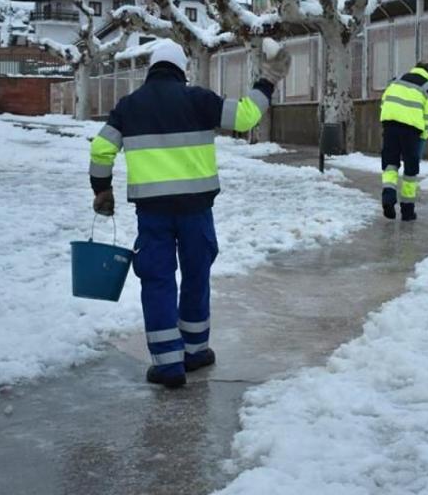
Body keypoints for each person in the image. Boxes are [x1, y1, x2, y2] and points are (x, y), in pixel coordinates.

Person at [89, 40, 291, 388]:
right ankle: (195, 352)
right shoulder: (199, 99)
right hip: (197, 210)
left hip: (152, 214)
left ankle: (168, 365)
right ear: (182, 69)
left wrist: (101, 189)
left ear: (152, 68)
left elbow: (101, 148)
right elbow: (245, 116)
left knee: (158, 280)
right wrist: (268, 79)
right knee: (197, 275)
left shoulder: (129, 106)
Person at [379, 62, 428, 221]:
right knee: (410, 170)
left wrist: (387, 122)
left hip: (390, 125)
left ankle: (388, 198)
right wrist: (424, 135)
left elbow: (384, 101)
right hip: (412, 131)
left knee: (390, 164)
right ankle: (407, 211)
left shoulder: (397, 80)